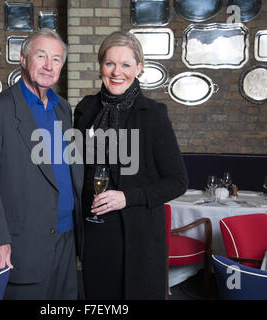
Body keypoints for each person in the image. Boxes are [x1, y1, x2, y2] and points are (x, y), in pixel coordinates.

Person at [0, 29, 84, 300]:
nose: (48, 65)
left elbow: (66, 168)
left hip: (67, 239)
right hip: (22, 244)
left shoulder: (63, 109)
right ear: (22, 59)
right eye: (41, 56)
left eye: (56, 59)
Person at [73, 31, 188, 299]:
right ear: (100, 65)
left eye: (126, 64)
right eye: (110, 63)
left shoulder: (154, 114)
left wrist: (127, 197)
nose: (117, 72)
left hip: (139, 235)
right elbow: (78, 168)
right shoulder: (86, 109)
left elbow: (178, 181)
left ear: (139, 68)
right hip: (96, 231)